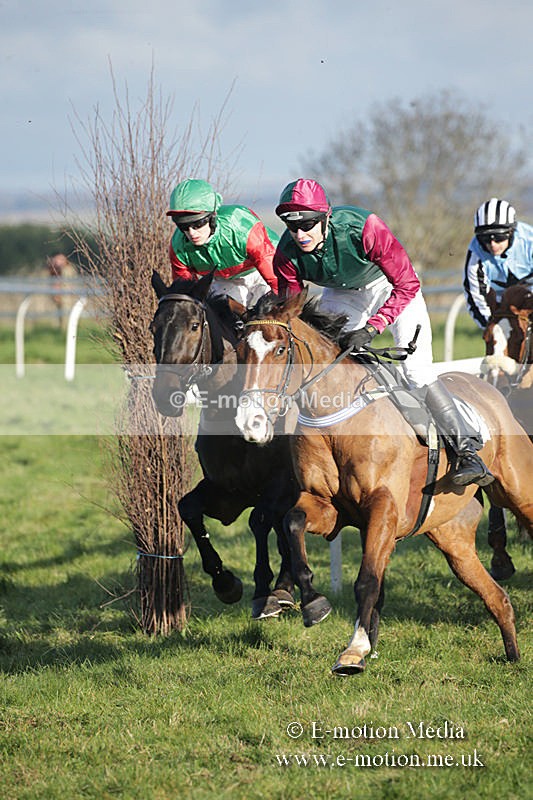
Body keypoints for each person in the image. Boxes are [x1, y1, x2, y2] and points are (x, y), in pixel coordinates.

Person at [272, 177, 493, 487]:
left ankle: (467, 450)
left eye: (307, 224)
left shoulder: (365, 227)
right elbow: (291, 311)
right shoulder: (285, 254)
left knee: (415, 372)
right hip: (342, 294)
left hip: (391, 286)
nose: (299, 234)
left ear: (326, 216)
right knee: (333, 366)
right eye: (291, 226)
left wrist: (373, 327)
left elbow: (406, 285)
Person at [166, 178, 279, 306]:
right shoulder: (178, 246)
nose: (191, 233)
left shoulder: (241, 226)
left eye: (198, 224)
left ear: (213, 216)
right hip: (225, 279)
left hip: (262, 270)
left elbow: (276, 280)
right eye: (183, 226)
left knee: (267, 314)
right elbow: (187, 294)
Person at [463, 197, 533, 329]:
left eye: (499, 238)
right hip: (499, 302)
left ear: (511, 232)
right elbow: (475, 298)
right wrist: (494, 327)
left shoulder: (530, 241)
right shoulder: (475, 253)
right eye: (485, 238)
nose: (493, 245)